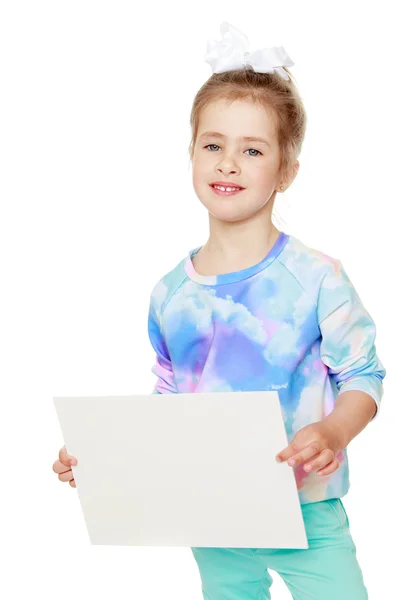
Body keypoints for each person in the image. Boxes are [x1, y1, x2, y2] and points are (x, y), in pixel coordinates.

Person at [53, 22, 386, 600]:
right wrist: (105, 461)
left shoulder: (317, 278)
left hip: (308, 512)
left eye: (251, 149)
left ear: (285, 171)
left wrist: (333, 430)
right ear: (192, 155)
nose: (228, 163)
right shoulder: (169, 294)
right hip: (213, 512)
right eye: (213, 145)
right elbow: (170, 408)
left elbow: (363, 375)